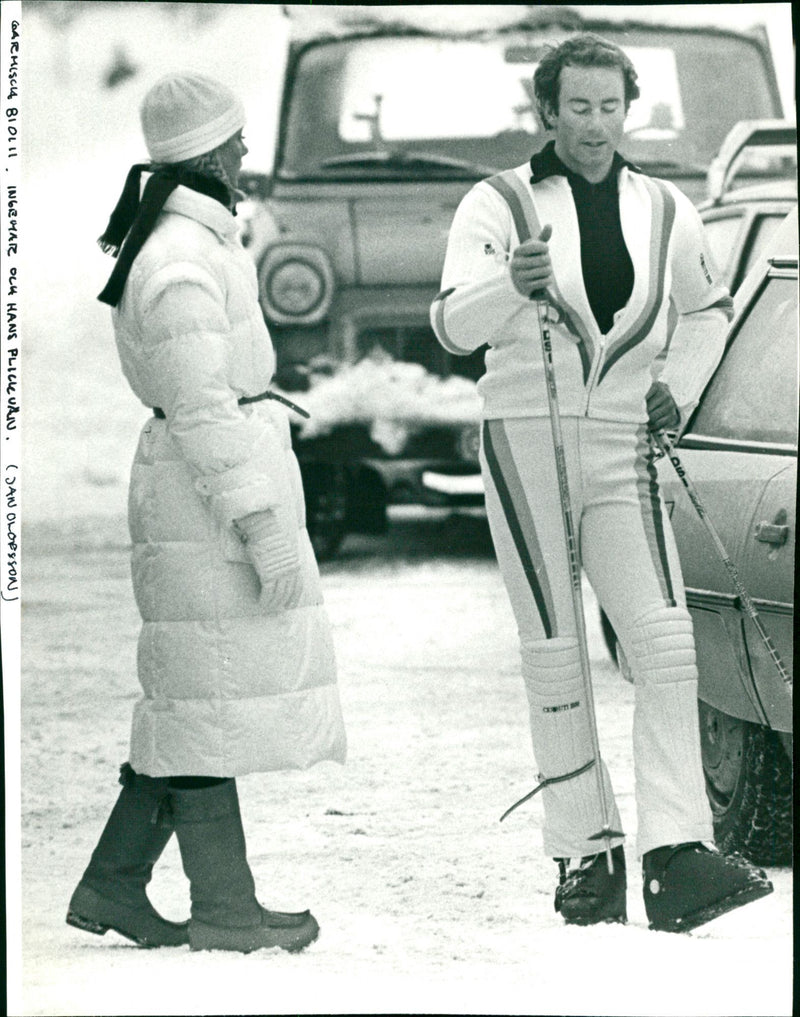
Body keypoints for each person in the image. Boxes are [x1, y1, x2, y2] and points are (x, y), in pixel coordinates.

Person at [430, 34, 773, 932]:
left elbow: (707, 311)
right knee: (553, 650)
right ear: (545, 112)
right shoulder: (497, 201)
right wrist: (510, 285)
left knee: (664, 642)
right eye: (575, 108)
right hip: (524, 436)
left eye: (609, 107)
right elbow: (452, 326)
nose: (593, 124)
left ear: (631, 111)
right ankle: (586, 851)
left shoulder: (665, 207)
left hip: (623, 437)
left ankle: (674, 852)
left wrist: (680, 385)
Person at [66, 73, 346, 953]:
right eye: (236, 142)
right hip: (202, 503)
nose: (247, 155)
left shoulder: (191, 240)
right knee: (203, 700)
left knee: (196, 696)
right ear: (208, 153)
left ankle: (113, 883)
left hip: (197, 495)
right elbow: (200, 411)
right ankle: (225, 906)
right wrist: (259, 522)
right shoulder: (182, 259)